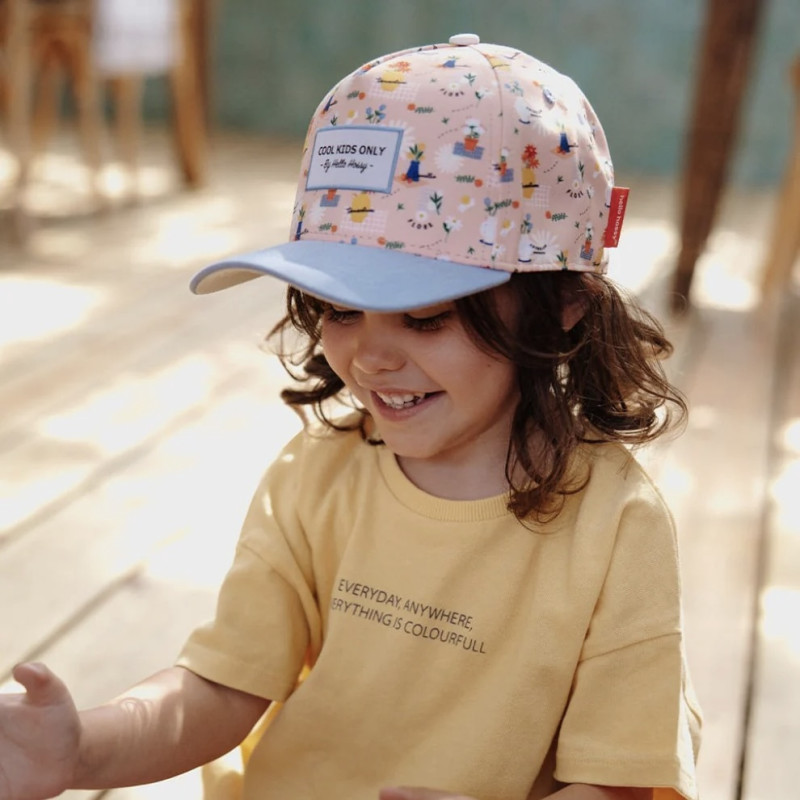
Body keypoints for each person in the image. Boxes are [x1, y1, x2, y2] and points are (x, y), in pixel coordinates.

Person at [0, 33, 701, 800]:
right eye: (339, 309)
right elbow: (223, 685)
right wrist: (81, 753)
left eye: (424, 318)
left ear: (562, 302)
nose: (370, 357)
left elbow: (622, 779)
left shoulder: (618, 525)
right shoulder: (315, 474)